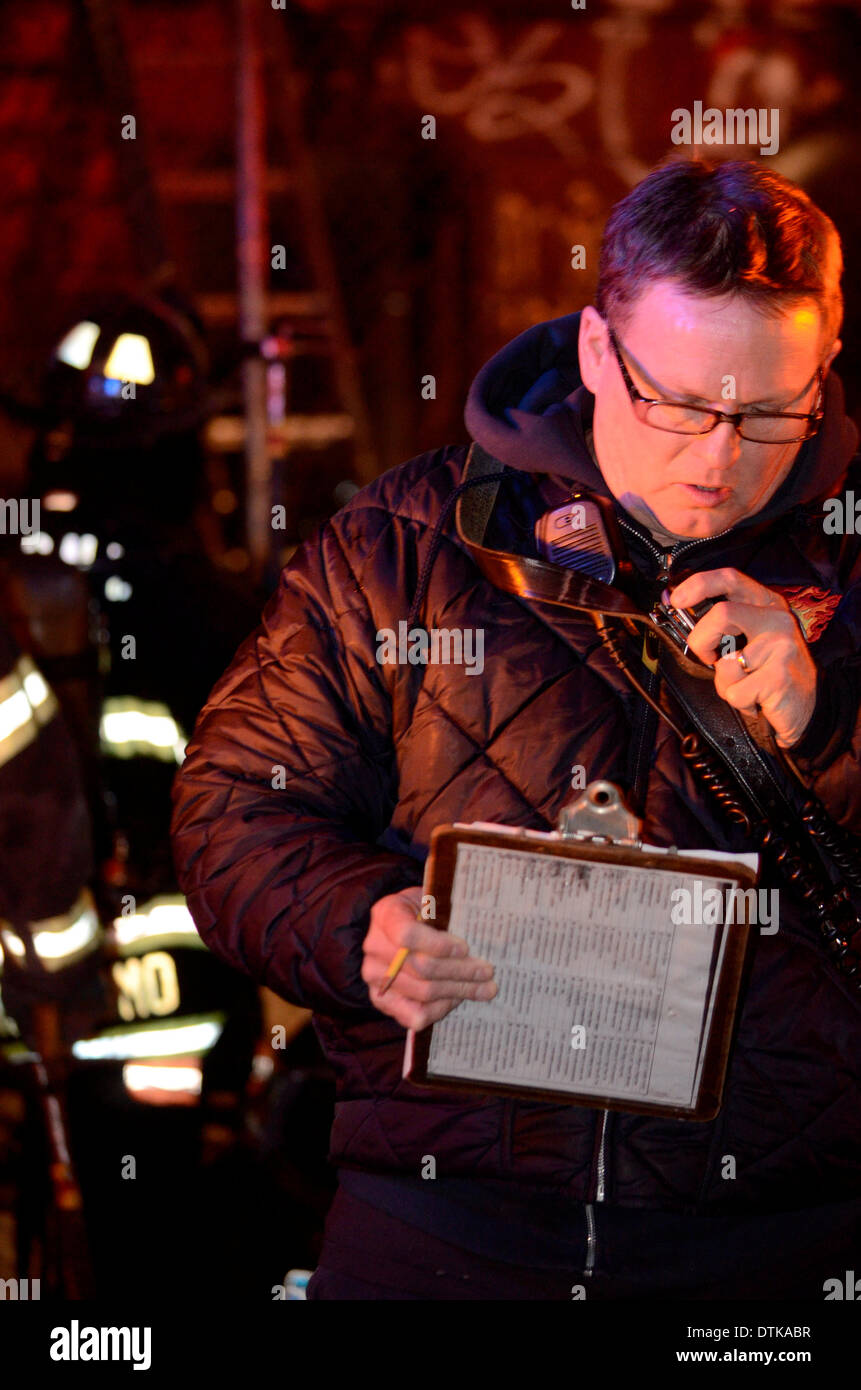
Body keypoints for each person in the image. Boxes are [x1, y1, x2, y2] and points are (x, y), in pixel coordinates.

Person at [171, 159, 861, 1300]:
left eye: (771, 411)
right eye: (681, 403)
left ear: (825, 369)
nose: (719, 455)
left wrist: (827, 721)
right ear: (598, 351)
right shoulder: (402, 547)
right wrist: (359, 926)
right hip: (441, 1222)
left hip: (780, 1244)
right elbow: (230, 810)